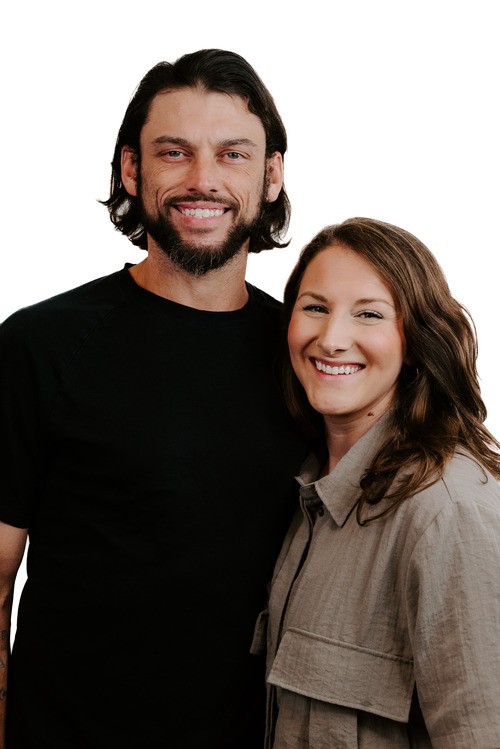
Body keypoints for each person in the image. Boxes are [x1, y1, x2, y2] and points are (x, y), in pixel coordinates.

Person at [0, 49, 307, 748]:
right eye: (175, 152)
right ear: (131, 169)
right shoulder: (40, 346)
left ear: (271, 175)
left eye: (232, 154)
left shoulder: (307, 359)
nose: (203, 179)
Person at [260, 217, 500, 747]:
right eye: (315, 308)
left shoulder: (447, 512)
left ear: (413, 341)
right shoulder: (312, 495)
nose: (331, 339)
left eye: (368, 314)